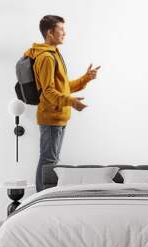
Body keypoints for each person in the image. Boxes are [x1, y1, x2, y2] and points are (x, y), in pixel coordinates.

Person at [24, 15, 101, 192]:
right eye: (61, 29)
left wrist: (85, 78)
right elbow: (49, 92)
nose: (64, 33)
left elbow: (63, 87)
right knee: (48, 161)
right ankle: (41, 198)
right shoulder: (46, 58)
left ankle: (44, 196)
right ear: (50, 32)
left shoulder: (54, 54)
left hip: (58, 117)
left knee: (51, 160)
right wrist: (71, 102)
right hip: (50, 118)